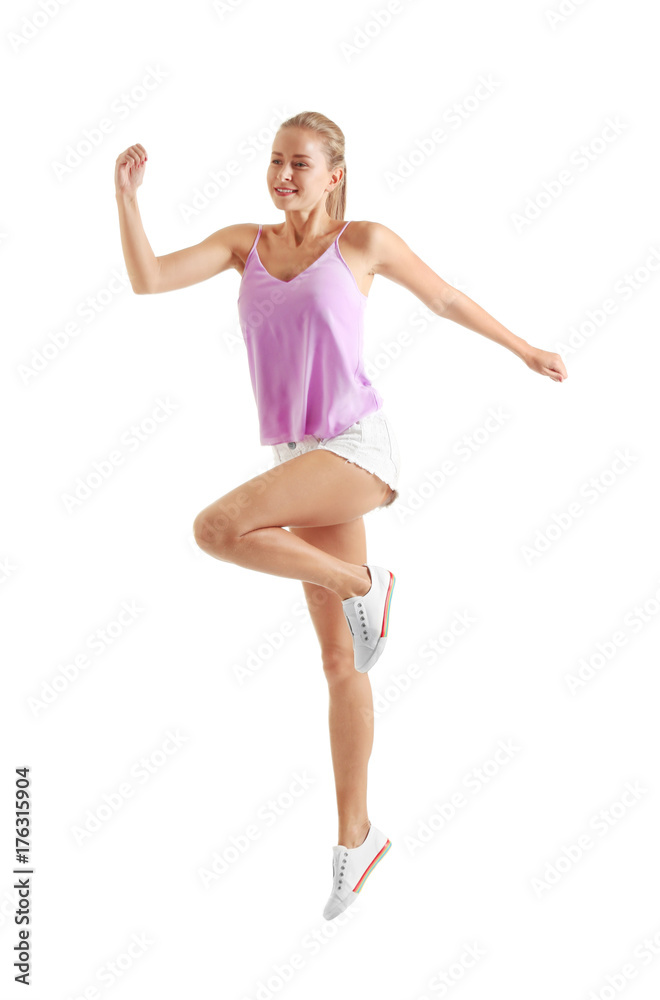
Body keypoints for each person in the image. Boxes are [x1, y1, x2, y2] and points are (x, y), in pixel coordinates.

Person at [114, 110, 568, 921]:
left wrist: (523, 347)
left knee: (216, 530)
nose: (284, 175)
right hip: (297, 462)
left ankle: (368, 582)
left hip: (356, 448)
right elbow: (148, 279)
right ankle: (357, 837)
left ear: (336, 175)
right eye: (276, 161)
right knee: (339, 662)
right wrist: (128, 200)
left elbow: (445, 297)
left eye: (301, 163)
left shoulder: (363, 241)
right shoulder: (240, 245)